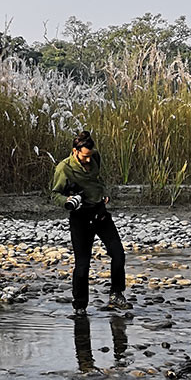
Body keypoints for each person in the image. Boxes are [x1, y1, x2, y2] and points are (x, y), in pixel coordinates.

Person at [51, 130, 128, 317]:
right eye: (84, 156)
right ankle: (79, 307)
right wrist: (68, 202)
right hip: (80, 217)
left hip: (100, 213)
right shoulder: (64, 168)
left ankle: (116, 294)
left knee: (118, 253)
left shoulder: (95, 157)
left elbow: (98, 179)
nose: (88, 160)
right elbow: (54, 194)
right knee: (83, 264)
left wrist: (104, 192)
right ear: (75, 151)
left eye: (90, 155)